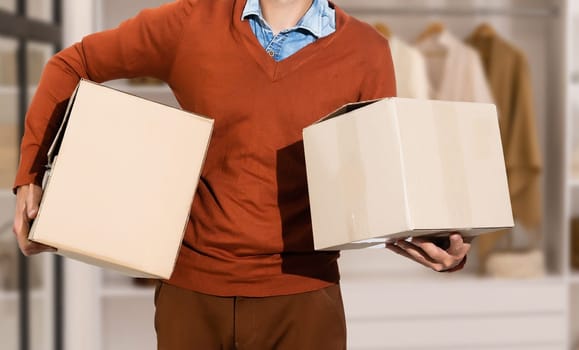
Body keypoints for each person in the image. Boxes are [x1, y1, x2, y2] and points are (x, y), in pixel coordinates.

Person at [11, 0, 471, 348]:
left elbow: (375, 187)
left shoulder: (367, 52)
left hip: (304, 304)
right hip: (190, 297)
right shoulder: (193, 21)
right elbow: (71, 64)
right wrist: (30, 175)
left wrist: (435, 240)